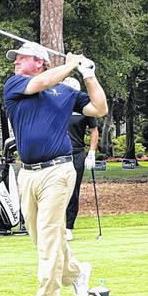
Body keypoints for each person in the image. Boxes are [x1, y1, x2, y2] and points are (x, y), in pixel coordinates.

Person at [3, 42, 107, 296]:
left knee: (49, 235)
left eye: (22, 58)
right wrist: (71, 64)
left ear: (39, 61)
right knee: (41, 237)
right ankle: (76, 274)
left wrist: (89, 75)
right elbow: (43, 82)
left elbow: (99, 108)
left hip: (58, 171)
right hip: (27, 173)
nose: (16, 62)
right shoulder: (15, 85)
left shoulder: (66, 92)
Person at [62, 77, 100, 241]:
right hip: (57, 154)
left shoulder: (84, 109)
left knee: (73, 191)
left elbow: (94, 130)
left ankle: (69, 227)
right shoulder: (57, 107)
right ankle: (54, 227)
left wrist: (91, 153)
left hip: (77, 154)